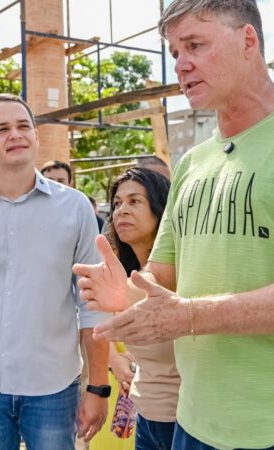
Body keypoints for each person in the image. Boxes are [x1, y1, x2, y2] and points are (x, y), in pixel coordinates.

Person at [73, 1, 274, 449]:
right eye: (175, 51)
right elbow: (164, 278)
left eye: (195, 44)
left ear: (248, 40)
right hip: (195, 426)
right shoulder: (195, 162)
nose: (181, 64)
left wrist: (193, 316)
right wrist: (128, 293)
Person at [0, 94, 110, 450]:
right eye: (2, 129)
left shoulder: (75, 208)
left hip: (53, 387)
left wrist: (97, 387)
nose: (15, 134)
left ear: (36, 136)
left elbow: (92, 306)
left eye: (22, 126)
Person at [91, 168, 178, 450]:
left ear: (160, 208)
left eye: (134, 201)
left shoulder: (179, 273)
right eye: (116, 204)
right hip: (146, 420)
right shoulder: (124, 276)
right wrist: (116, 360)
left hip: (184, 424)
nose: (121, 211)